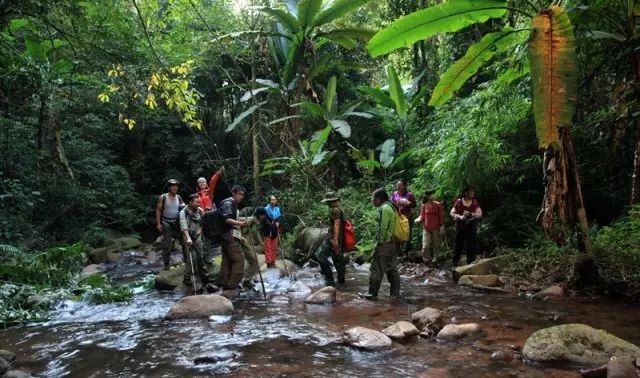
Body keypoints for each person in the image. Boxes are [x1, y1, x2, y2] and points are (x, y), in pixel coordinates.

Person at [359, 188, 400, 300]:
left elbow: (382, 228)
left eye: (373, 198)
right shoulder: (391, 207)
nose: (372, 201)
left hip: (384, 244)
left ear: (378, 198)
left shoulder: (384, 208)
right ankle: (395, 294)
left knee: (376, 269)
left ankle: (372, 294)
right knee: (392, 269)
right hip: (392, 243)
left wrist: (379, 243)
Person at [179, 194, 212, 290]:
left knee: (200, 257)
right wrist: (188, 238)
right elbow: (183, 227)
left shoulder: (200, 211)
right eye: (196, 202)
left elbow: (203, 224)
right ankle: (187, 278)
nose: (198, 204)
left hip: (197, 236)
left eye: (199, 202)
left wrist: (200, 234)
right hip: (187, 237)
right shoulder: (183, 212)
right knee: (191, 258)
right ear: (190, 202)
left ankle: (205, 277)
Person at [219, 185, 249, 291]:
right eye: (239, 194)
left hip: (226, 234)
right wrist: (240, 223)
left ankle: (225, 283)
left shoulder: (232, 203)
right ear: (234, 193)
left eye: (242, 194)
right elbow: (226, 219)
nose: (241, 196)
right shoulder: (228, 202)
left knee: (227, 259)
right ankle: (232, 285)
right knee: (239, 258)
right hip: (228, 234)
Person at [315, 192, 347, 287]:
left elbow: (336, 225)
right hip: (341, 237)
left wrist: (335, 240)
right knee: (337, 257)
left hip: (335, 238)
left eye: (327, 202)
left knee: (320, 255)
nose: (327, 204)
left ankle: (329, 279)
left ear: (330, 201)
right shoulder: (340, 208)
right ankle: (341, 279)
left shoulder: (334, 210)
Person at [196, 166, 225, 268]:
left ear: (206, 183)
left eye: (203, 182)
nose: (202, 184)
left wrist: (219, 172)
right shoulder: (196, 195)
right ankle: (205, 257)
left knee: (211, 235)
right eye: (200, 183)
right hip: (201, 217)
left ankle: (218, 254)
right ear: (198, 185)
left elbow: (213, 182)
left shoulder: (209, 192)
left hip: (210, 216)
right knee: (204, 237)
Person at [155, 179, 185, 270]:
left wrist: (183, 205)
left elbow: (183, 206)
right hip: (166, 222)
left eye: (176, 186)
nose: (175, 187)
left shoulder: (179, 197)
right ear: (169, 187)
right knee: (167, 243)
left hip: (176, 222)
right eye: (173, 186)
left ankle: (187, 259)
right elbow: (158, 210)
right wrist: (158, 224)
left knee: (183, 240)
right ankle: (166, 262)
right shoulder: (163, 197)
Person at [450, 185, 482, 266]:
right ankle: (455, 263)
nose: (473, 193)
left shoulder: (474, 202)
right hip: (460, 227)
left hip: (471, 227)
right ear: (466, 192)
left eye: (473, 191)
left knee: (471, 246)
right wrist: (460, 217)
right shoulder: (459, 201)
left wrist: (471, 214)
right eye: (471, 191)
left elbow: (480, 213)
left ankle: (471, 264)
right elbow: (452, 213)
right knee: (458, 245)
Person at [237, 207, 266, 290]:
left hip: (247, 244)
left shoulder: (256, 221)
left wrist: (262, 243)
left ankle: (247, 280)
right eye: (263, 215)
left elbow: (256, 233)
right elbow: (239, 226)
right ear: (260, 215)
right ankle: (243, 280)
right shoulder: (250, 220)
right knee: (254, 262)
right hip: (243, 243)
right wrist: (241, 237)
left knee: (254, 262)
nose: (264, 217)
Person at [415, 189, 445, 264]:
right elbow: (422, 216)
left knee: (436, 244)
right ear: (427, 196)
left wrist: (442, 226)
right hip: (426, 228)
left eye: (433, 194)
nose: (433, 196)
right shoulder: (424, 205)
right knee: (425, 245)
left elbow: (441, 216)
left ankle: (435, 258)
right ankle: (427, 259)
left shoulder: (438, 204)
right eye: (431, 194)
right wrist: (418, 219)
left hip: (436, 227)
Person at [391, 179, 417, 256]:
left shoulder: (409, 194)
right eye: (397, 185)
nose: (398, 186)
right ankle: (398, 252)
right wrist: (397, 202)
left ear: (405, 186)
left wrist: (408, 203)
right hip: (397, 218)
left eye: (400, 185)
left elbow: (414, 204)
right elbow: (391, 203)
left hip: (407, 217)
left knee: (407, 234)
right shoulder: (395, 194)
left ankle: (406, 252)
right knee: (397, 234)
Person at [264, 195, 282, 268]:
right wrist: (270, 224)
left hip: (275, 230)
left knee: (274, 247)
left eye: (274, 200)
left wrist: (278, 222)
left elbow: (280, 217)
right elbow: (264, 219)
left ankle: (273, 261)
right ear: (269, 201)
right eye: (272, 200)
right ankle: (269, 262)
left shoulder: (277, 209)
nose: (273, 201)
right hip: (267, 229)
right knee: (268, 246)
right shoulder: (266, 209)